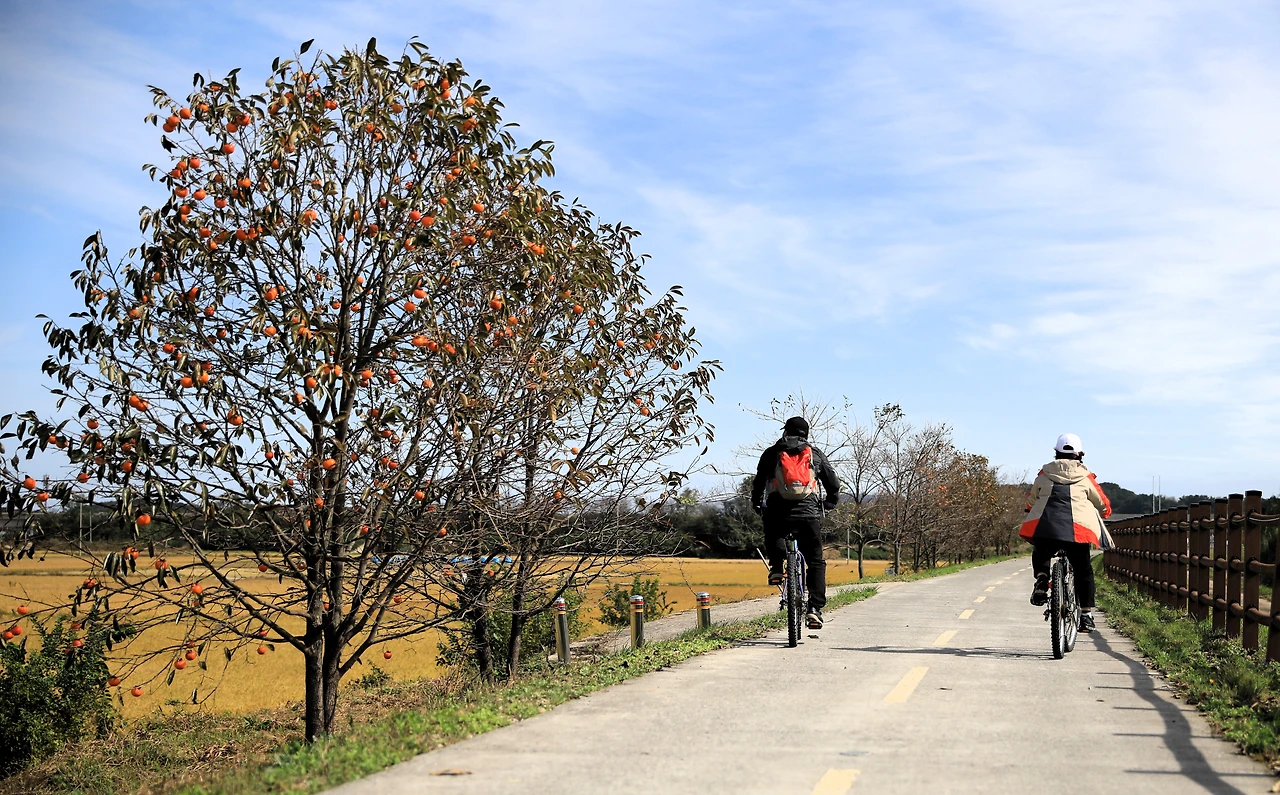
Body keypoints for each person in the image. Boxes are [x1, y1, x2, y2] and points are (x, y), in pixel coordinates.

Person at [751, 416, 840, 629]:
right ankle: (814, 609)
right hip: (808, 514)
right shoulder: (815, 455)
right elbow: (833, 483)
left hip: (778, 513)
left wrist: (757, 504)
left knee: (773, 531)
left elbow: (758, 482)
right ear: (805, 434)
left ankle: (775, 568)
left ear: (785, 432)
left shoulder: (771, 453)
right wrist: (829, 503)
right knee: (816, 561)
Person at [1021, 433, 1111, 632]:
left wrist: (1030, 508)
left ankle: (1042, 580)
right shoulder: (1086, 477)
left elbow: (1032, 498)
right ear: (1080, 454)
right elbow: (1102, 503)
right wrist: (1105, 513)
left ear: (1056, 452)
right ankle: (1086, 615)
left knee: (1041, 549)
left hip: (1047, 528)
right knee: (1084, 570)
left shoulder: (1044, 474)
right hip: (1077, 531)